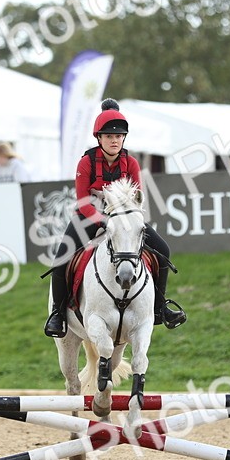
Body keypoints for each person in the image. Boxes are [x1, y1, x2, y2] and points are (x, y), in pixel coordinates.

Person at [44, 98, 187, 338]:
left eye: (119, 136)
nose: (114, 140)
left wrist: (121, 222)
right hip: (88, 218)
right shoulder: (85, 163)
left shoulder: (130, 163)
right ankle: (58, 315)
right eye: (109, 137)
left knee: (163, 249)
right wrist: (104, 221)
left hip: (123, 220)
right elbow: (82, 203)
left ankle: (160, 307)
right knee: (61, 260)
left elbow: (136, 200)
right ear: (98, 138)